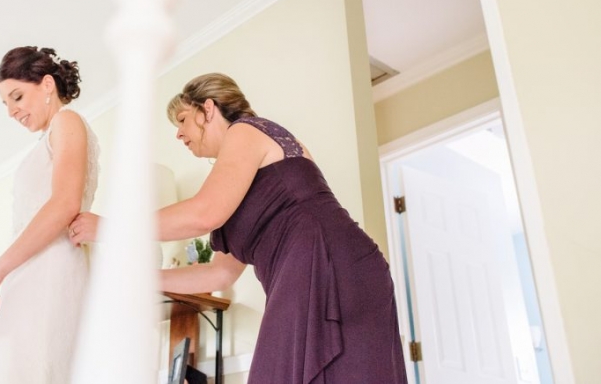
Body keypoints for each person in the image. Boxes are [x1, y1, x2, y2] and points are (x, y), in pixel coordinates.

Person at [70, 73, 407, 384]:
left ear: (209, 109)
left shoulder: (247, 131)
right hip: (309, 271)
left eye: (183, 119)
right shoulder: (235, 177)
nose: (178, 133)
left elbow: (204, 214)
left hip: (333, 266)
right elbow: (219, 275)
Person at [0, 46, 99, 384]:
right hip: (30, 281)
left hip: (53, 275)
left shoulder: (67, 121)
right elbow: (31, 229)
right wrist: (1, 304)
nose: (11, 111)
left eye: (17, 96)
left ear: (48, 85)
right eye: (5, 103)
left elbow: (64, 204)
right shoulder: (45, 141)